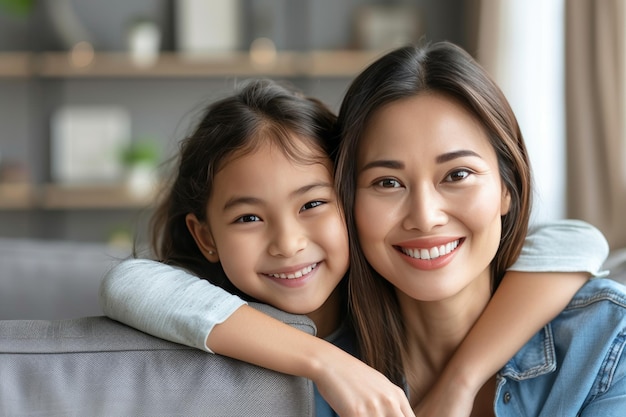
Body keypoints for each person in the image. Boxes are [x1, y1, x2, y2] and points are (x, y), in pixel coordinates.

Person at [100, 80, 609, 416]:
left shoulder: (598, 338)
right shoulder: (302, 348)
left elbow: (577, 239)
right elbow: (129, 282)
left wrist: (462, 379)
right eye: (250, 217)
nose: (289, 243)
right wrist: (326, 362)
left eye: (313, 204)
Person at [334, 40, 626, 416]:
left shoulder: (605, 343)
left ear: (507, 188)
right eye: (388, 182)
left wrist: (460, 381)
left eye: (457, 175)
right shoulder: (319, 374)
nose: (425, 217)